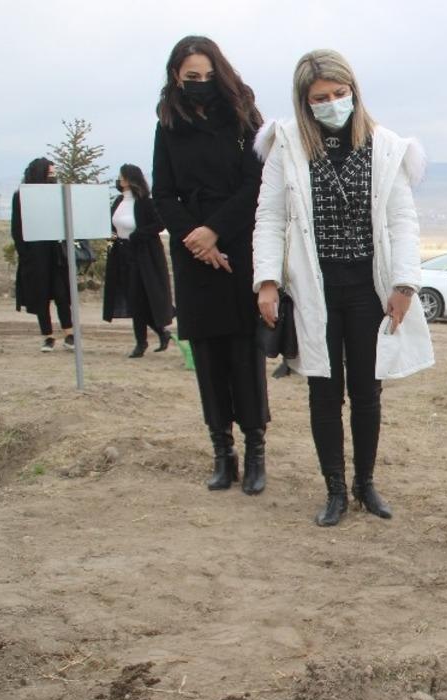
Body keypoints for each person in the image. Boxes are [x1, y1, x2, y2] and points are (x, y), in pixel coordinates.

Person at [253, 49, 432, 527]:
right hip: (315, 287)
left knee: (368, 391)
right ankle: (334, 489)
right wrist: (267, 281)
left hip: (367, 288)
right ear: (303, 101)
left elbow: (402, 219)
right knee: (323, 391)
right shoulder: (286, 144)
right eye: (320, 97)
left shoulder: (384, 144)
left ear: (354, 91)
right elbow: (269, 215)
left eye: (339, 93)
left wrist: (404, 284)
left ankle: (365, 484)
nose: (332, 103)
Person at [152, 35, 269, 494]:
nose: (199, 84)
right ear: (176, 79)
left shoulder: (244, 119)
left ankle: (256, 451)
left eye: (205, 76)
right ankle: (223, 453)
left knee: (244, 353)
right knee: (207, 356)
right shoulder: (167, 125)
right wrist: (196, 239)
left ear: (218, 73)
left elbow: (255, 184)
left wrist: (216, 231)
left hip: (237, 244)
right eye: (190, 78)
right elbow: (162, 192)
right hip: (191, 251)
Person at [103, 164, 174, 358]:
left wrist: (138, 235)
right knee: (133, 299)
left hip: (143, 255)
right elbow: (111, 225)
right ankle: (160, 333)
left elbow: (159, 224)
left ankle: (141, 342)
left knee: (141, 298)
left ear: (130, 179)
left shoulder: (145, 203)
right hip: (121, 254)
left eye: (121, 176)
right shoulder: (118, 201)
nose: (119, 180)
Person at [11, 158, 73, 353]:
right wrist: (25, 254)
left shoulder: (57, 194)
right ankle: (47, 336)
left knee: (62, 294)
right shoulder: (21, 196)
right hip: (34, 254)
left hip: (55, 252)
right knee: (40, 296)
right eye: (50, 173)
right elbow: (17, 227)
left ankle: (70, 333)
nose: (53, 176)